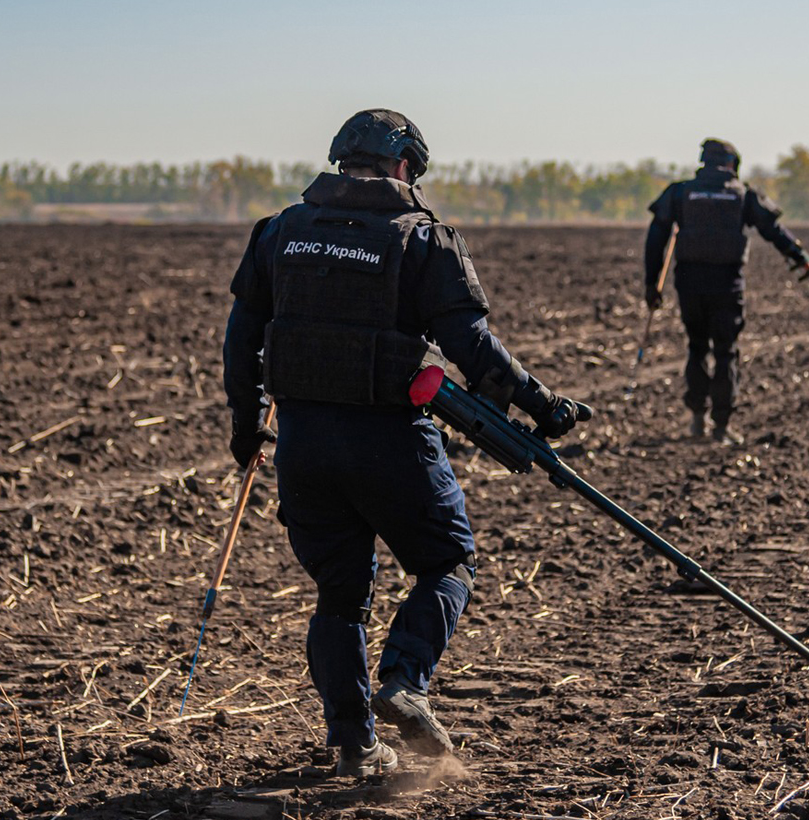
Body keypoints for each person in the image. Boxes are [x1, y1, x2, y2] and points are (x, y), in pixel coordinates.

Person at [222, 109, 588, 777]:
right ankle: (404, 680)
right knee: (449, 560)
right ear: (403, 168)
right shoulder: (425, 239)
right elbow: (475, 351)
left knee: (340, 595)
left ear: (342, 162)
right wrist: (546, 407)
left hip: (302, 447)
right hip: (391, 442)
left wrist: (247, 431)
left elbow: (239, 337)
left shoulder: (279, 232)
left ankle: (356, 748)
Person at [643, 138, 808, 445]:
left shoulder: (680, 192)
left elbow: (656, 238)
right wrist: (801, 258)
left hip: (689, 284)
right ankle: (721, 426)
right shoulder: (743, 195)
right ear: (733, 164)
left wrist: (651, 284)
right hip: (727, 286)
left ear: (703, 161)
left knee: (696, 347)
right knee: (725, 352)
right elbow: (773, 231)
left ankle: (697, 419)